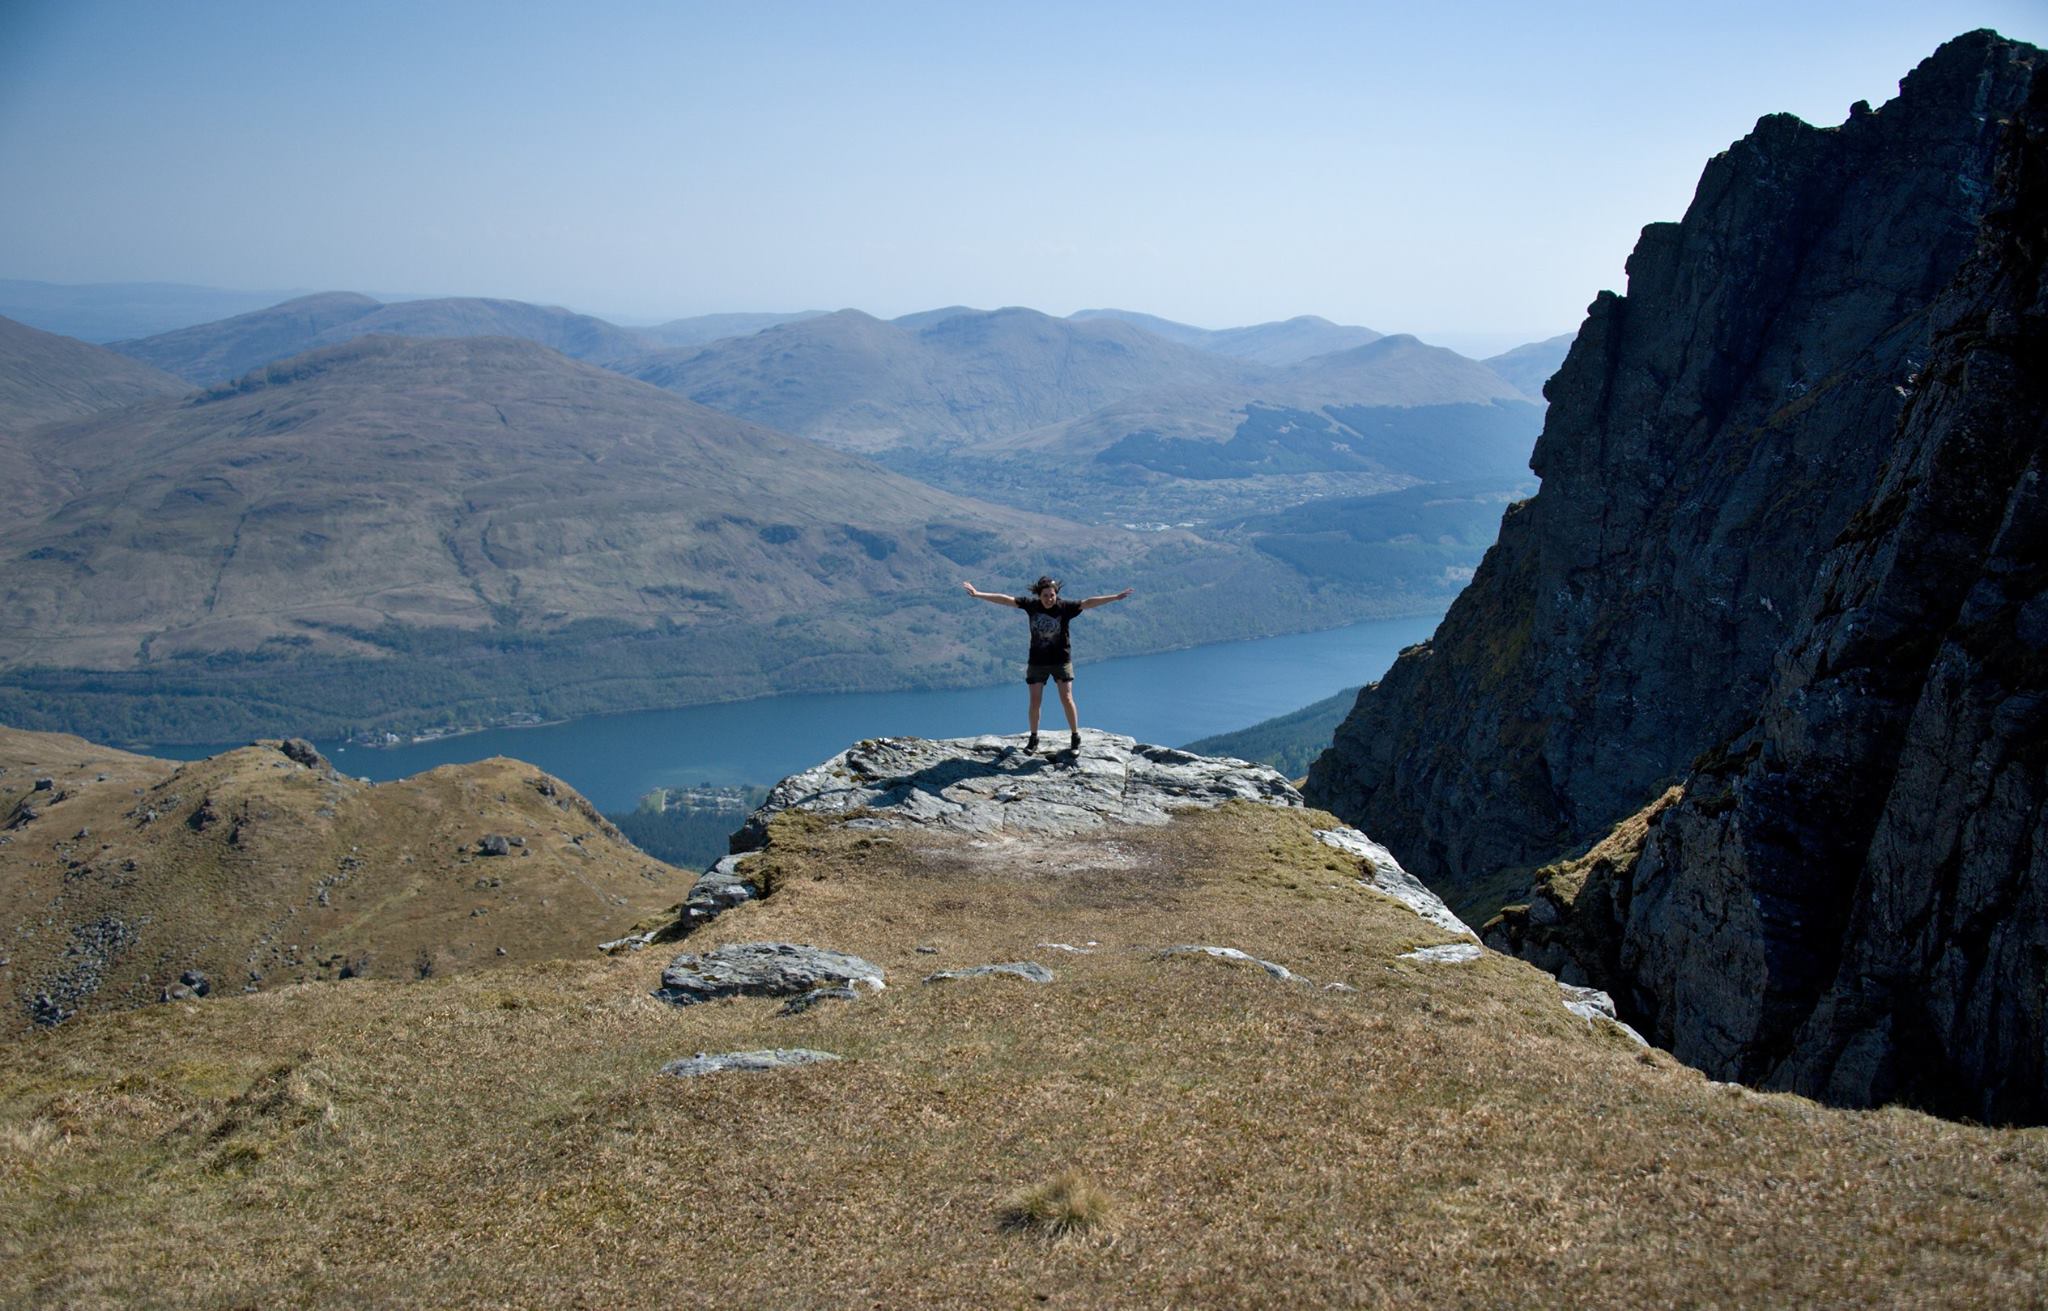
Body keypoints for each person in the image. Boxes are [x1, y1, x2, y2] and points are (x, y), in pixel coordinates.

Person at [962, 575, 1133, 752]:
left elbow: (1088, 602)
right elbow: (1006, 600)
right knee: (1035, 701)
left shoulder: (1065, 607)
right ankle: (1034, 739)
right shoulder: (1031, 605)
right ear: (1039, 595)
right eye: (1045, 596)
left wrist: (1115, 597)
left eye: (1052, 595)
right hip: (1037, 661)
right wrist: (978, 594)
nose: (1049, 599)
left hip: (1061, 660)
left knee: (1066, 698)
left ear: (1056, 594)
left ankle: (1075, 738)